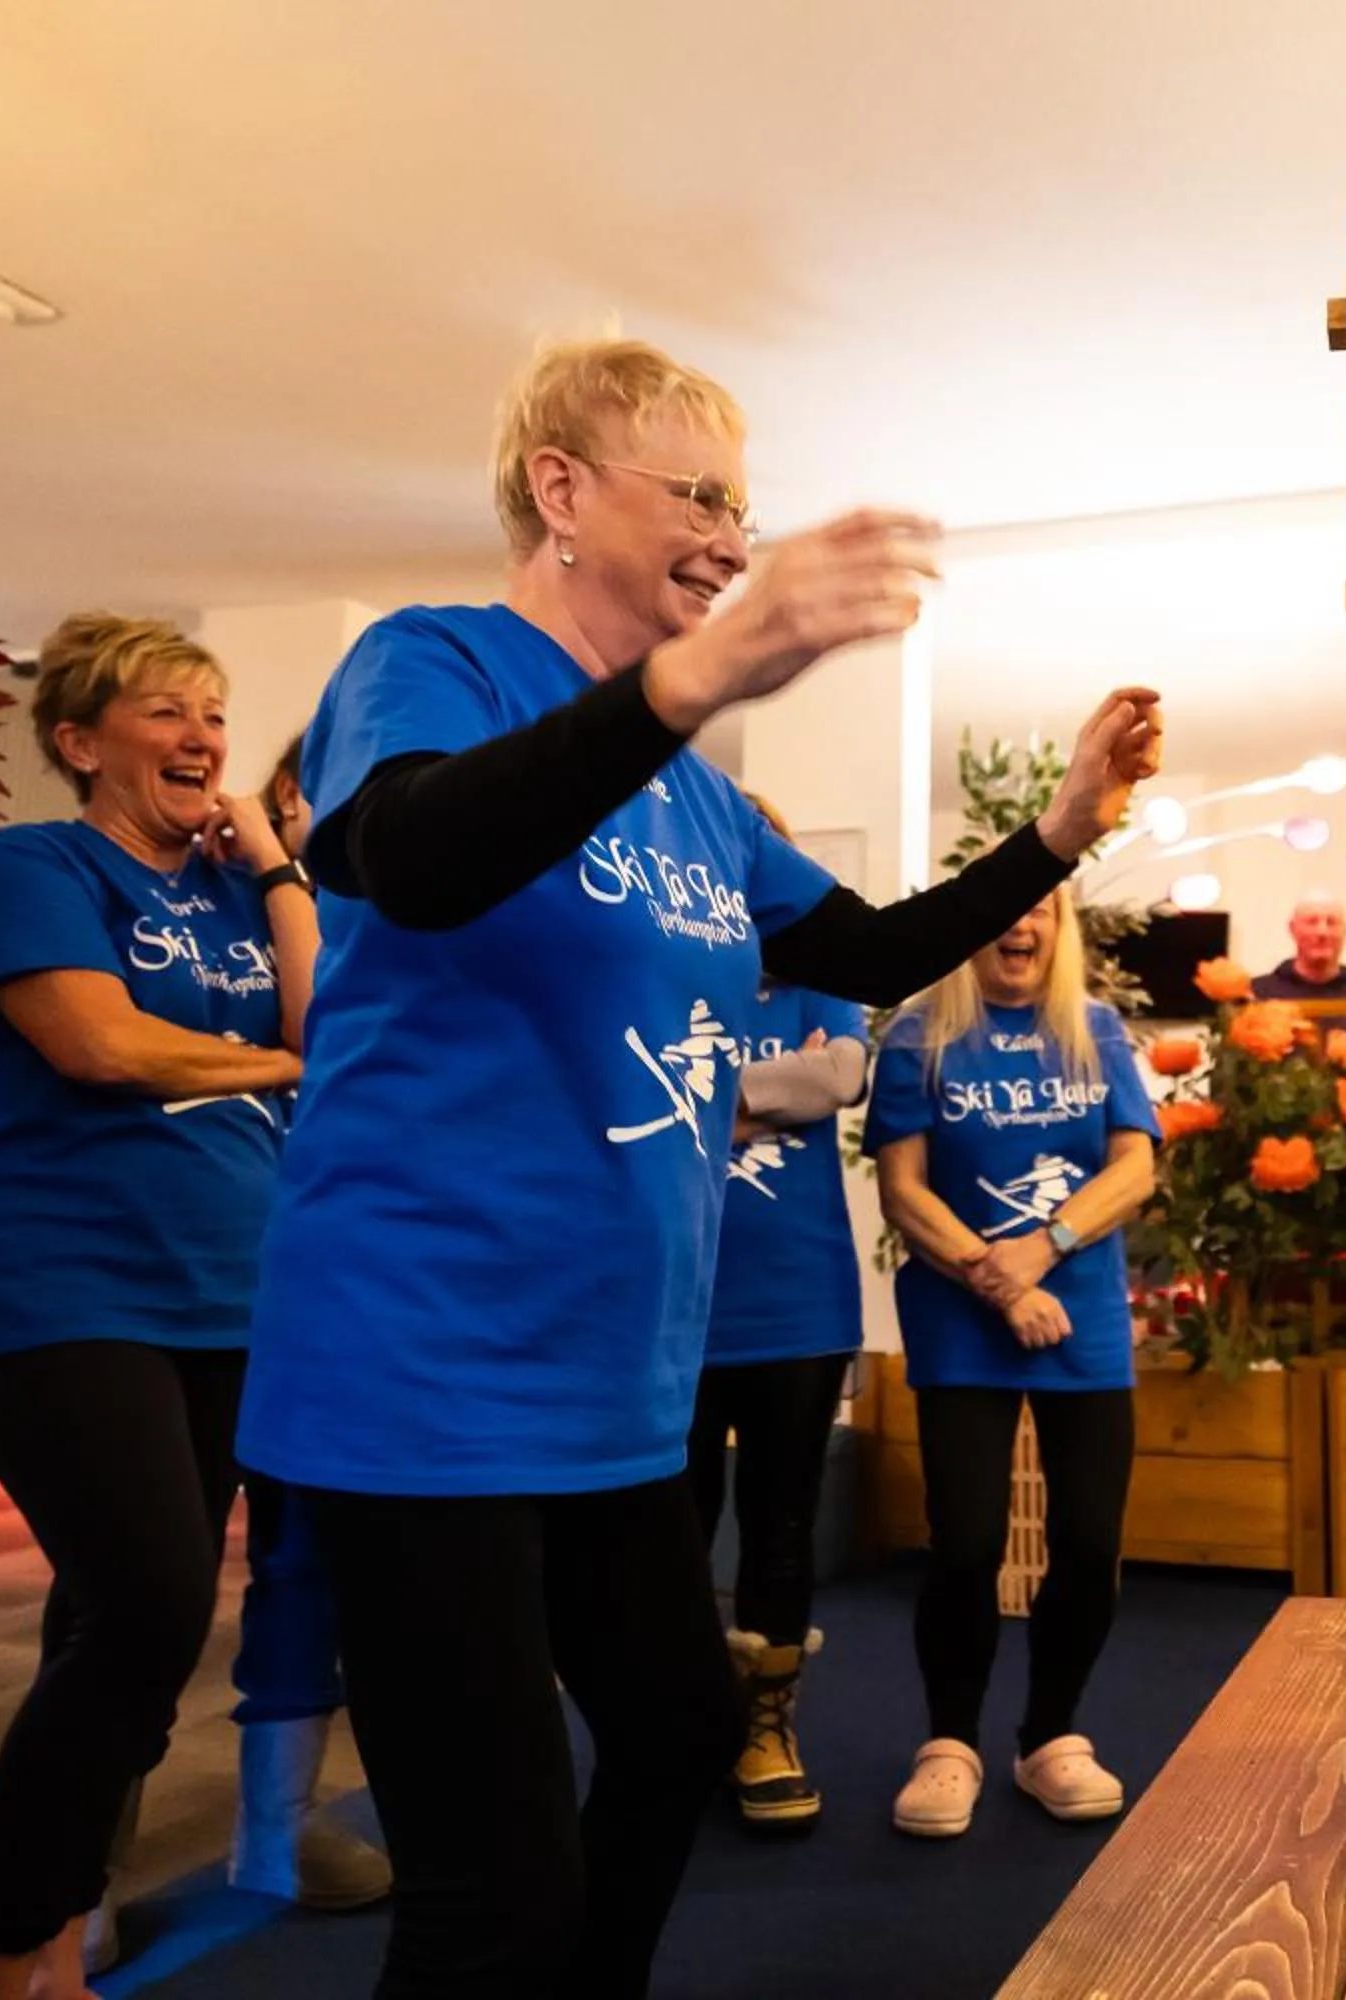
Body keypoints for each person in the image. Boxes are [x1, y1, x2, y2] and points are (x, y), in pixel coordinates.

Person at [231, 335, 1159, 2000]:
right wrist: (690, 684)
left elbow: (871, 950)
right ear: (562, 492)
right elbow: (415, 858)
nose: (734, 531)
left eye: (746, 500)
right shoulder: (430, 660)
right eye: (700, 493)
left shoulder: (699, 806)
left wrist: (1060, 834)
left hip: (612, 1392)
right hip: (420, 1367)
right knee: (491, 1880)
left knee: (671, 1744)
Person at [0, 615, 316, 2000]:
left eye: (213, 710)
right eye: (166, 711)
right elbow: (93, 1042)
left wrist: (274, 869)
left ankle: (53, 1942)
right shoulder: (35, 864)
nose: (202, 735)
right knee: (147, 1611)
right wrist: (262, 1059)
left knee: (114, 1611)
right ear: (81, 742)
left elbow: (331, 1033)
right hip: (59, 1275)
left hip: (222, 1293)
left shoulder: (228, 897)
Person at [865, 885, 1160, 1840]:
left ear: (1059, 928)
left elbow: (1135, 1167)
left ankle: (1049, 1738)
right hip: (963, 1322)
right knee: (966, 1543)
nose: (1019, 923)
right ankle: (949, 1743)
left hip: (1083, 1323)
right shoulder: (918, 1035)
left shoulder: (1097, 1031)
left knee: (1085, 1542)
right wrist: (1001, 1281)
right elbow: (904, 1192)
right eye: (1006, 909)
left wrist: (1047, 1247)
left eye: (1041, 911)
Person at [222, 731, 395, 1912]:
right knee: (151, 1583)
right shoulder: (227, 907)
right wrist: (280, 874)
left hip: (354, 1278)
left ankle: (280, 1829)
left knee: (324, 1560)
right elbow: (313, 1033)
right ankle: (85, 1866)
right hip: (214, 1269)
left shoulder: (400, 915)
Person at [690, 787, 871, 1833]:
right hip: (676, 1300)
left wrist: (703, 1092)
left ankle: (767, 1723)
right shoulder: (669, 976)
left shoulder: (820, 978)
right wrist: (770, 1088)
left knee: (782, 1523)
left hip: (801, 1299)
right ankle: (686, 1720)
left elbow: (839, 1071)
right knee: (672, 1528)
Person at [1249, 889, 1346, 1004]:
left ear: (1345, 931)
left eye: (1332, 922)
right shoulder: (1257, 996)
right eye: (1312, 922)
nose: (1322, 932)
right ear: (1292, 928)